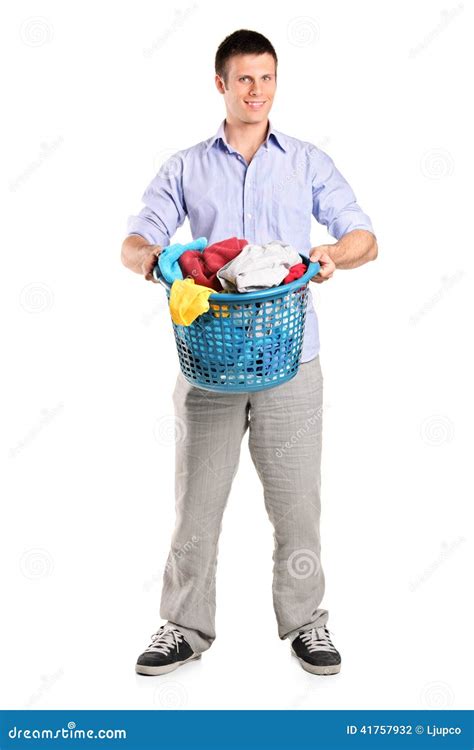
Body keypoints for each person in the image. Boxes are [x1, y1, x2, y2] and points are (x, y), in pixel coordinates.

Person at [121, 29, 377, 677]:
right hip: (211, 360)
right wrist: (156, 264)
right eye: (244, 79)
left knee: (297, 503)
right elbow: (136, 240)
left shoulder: (307, 161)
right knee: (197, 503)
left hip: (290, 359)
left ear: (275, 82)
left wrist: (331, 253)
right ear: (221, 85)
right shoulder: (185, 166)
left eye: (266, 78)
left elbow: (363, 237)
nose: (256, 90)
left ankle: (306, 623)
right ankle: (184, 625)